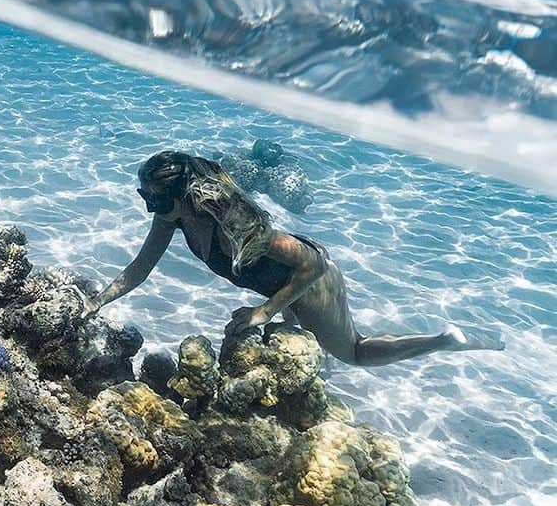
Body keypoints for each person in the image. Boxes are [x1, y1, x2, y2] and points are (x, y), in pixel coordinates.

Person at [85, 150, 503, 366]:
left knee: (354, 352)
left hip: (312, 281)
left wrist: (265, 311)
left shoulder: (231, 221)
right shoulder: (171, 220)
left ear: (179, 197)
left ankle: (443, 341)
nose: (148, 206)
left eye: (153, 198)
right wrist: (97, 301)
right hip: (281, 282)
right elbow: (139, 268)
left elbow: (313, 265)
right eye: (144, 196)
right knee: (298, 347)